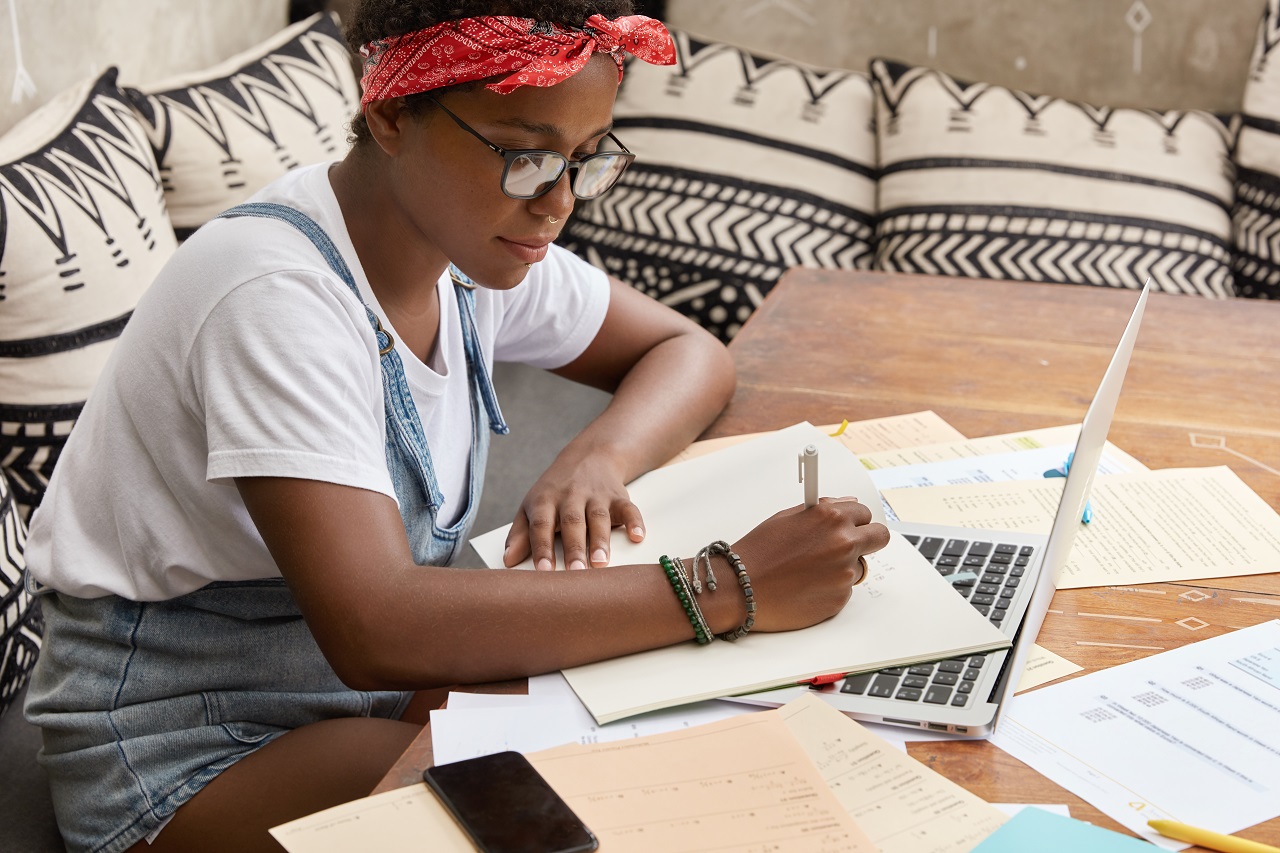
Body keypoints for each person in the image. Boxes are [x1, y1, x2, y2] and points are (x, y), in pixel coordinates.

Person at [23, 2, 890, 851]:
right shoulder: (275, 296)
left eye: (588, 160)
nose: (559, 204)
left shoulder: (464, 251)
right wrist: (725, 583)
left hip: (352, 688)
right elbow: (379, 624)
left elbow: (688, 350)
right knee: (572, 809)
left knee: (673, 733)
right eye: (526, 157)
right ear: (393, 112)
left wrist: (596, 457)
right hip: (185, 746)